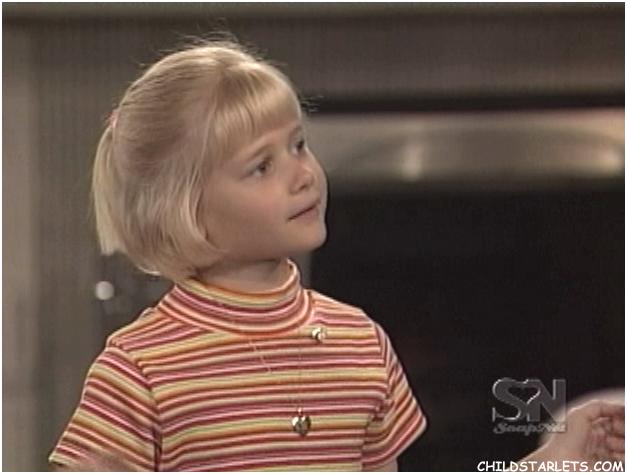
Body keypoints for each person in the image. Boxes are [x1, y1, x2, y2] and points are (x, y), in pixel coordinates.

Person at [49, 40, 624, 472]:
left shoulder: (361, 342)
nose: (303, 174)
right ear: (188, 212)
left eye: (298, 144)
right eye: (262, 165)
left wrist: (552, 461)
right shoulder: (138, 369)